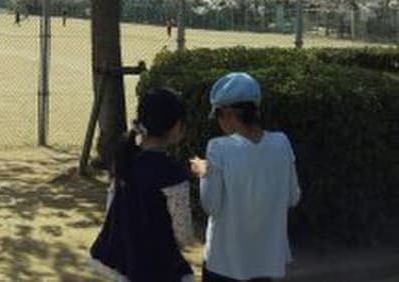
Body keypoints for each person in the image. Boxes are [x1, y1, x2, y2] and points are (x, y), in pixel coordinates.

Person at [190, 72, 301, 282]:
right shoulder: (282, 143)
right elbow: (293, 197)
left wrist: (205, 173)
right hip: (267, 262)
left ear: (229, 113)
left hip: (224, 262)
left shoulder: (218, 147)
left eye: (219, 115)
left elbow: (211, 205)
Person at [90, 88, 195, 282]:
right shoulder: (173, 174)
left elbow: (111, 211)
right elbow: (183, 233)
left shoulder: (124, 161)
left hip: (126, 264)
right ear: (177, 126)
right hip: (161, 266)